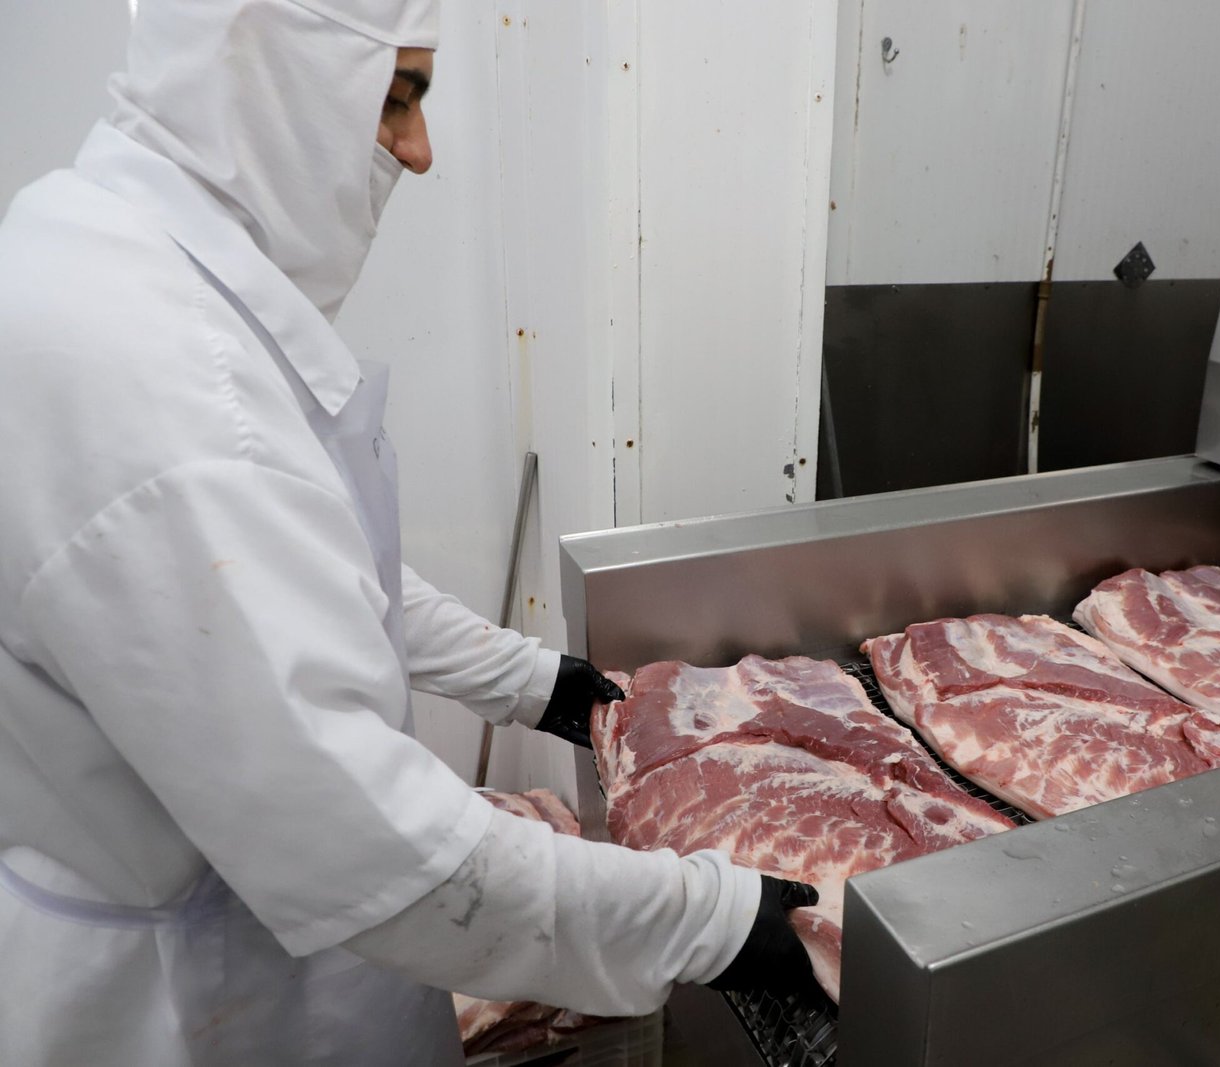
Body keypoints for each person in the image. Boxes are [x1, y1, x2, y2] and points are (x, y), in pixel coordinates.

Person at [0, 1, 816, 1064]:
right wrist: (717, 921)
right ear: (270, 70)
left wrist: (532, 682)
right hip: (205, 1003)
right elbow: (378, 855)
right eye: (397, 98)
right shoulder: (164, 387)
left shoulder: (108, 252)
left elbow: (321, 576)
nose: (419, 151)